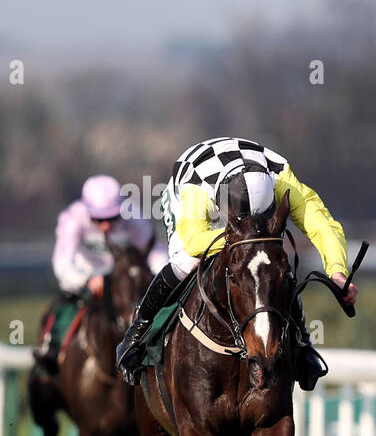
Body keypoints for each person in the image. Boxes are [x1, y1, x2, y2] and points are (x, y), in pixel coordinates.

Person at [115, 136, 357, 389]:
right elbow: (195, 241)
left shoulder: (281, 179)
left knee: (273, 268)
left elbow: (323, 227)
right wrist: (244, 240)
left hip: (244, 195)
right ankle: (136, 335)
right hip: (195, 183)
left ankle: (303, 343)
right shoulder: (196, 190)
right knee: (186, 263)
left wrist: (338, 271)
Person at [34, 175, 168, 372]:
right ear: (87, 211)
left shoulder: (133, 216)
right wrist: (86, 281)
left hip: (122, 286)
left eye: (112, 217)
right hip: (86, 285)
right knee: (61, 312)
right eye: (98, 219)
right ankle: (49, 357)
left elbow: (154, 252)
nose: (105, 225)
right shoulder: (72, 218)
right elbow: (62, 263)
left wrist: (158, 278)